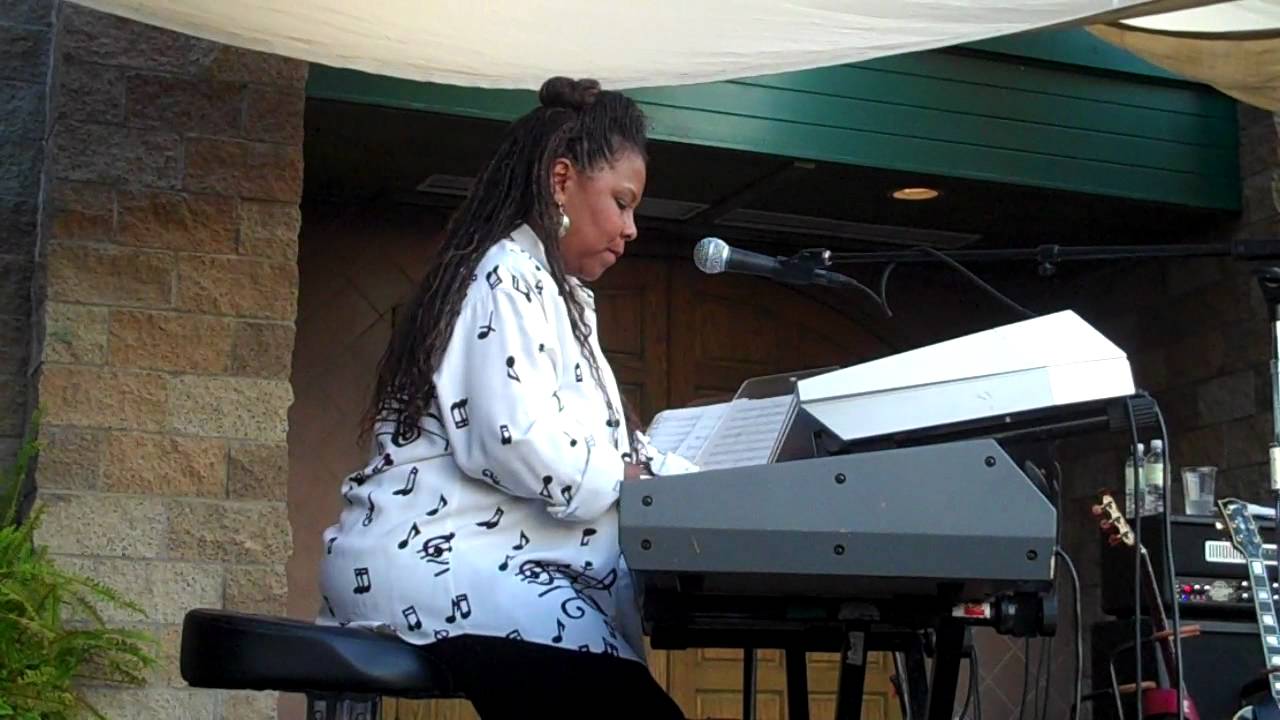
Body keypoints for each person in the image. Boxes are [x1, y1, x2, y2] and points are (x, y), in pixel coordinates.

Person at [317, 77, 685, 719]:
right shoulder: (504, 273)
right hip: (448, 563)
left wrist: (687, 477)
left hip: (501, 571)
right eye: (622, 203)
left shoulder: (552, 291)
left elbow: (611, 447)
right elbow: (517, 442)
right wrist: (630, 479)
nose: (631, 229)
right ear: (561, 180)